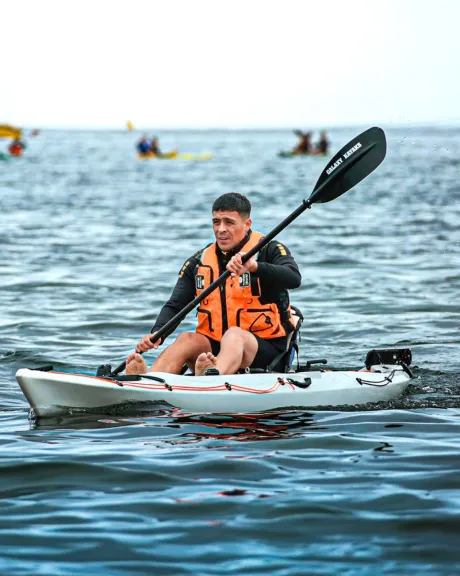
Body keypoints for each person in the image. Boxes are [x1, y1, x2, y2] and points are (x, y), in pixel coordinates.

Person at [126, 192, 302, 377]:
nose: (221, 229)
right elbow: (176, 305)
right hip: (214, 349)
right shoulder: (199, 261)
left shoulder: (269, 249)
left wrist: (255, 267)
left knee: (234, 335)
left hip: (266, 349)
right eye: (216, 222)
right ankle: (148, 380)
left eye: (229, 222)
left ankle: (211, 377)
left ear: (247, 224)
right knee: (186, 339)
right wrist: (156, 334)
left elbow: (293, 277)